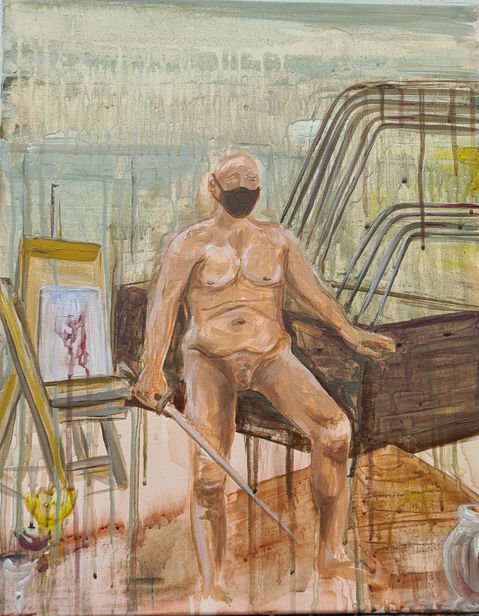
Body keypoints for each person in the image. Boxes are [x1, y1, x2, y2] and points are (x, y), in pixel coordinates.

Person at [132, 151, 395, 601]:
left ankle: (330, 552)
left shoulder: (278, 241)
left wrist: (351, 334)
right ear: (213, 187)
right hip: (209, 360)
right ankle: (213, 578)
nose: (243, 186)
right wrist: (152, 368)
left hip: (271, 357)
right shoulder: (187, 244)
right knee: (209, 471)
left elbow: (316, 295)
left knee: (335, 431)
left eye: (250, 179)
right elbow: (164, 306)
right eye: (233, 178)